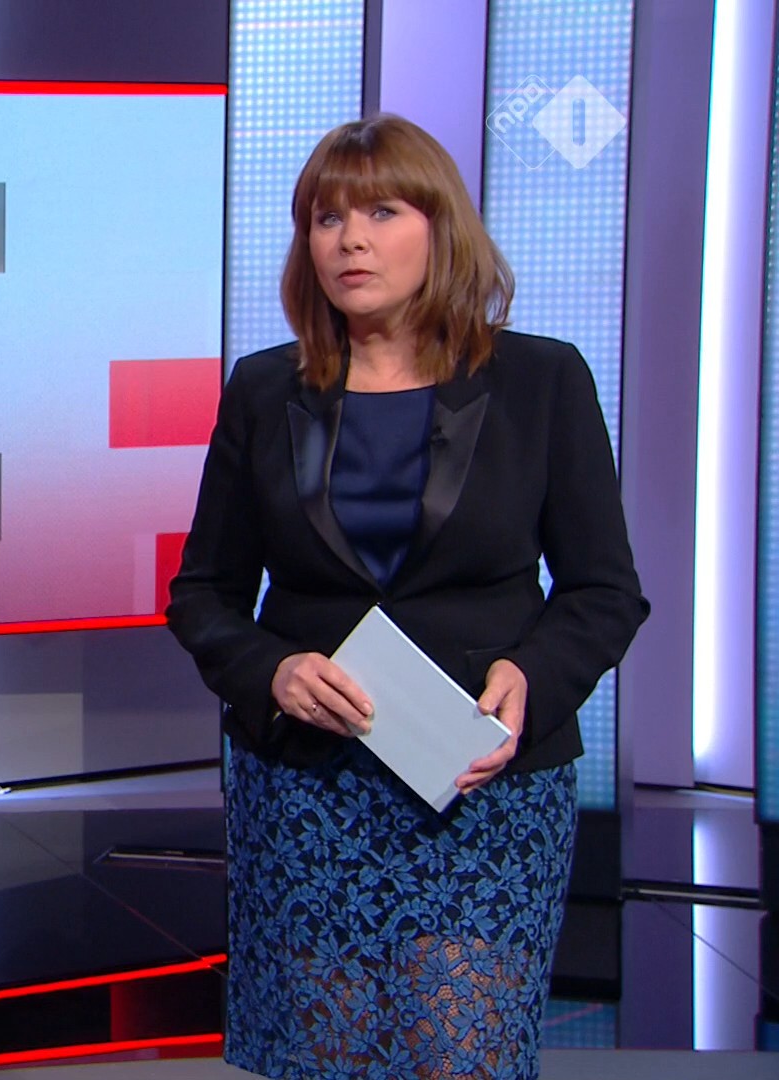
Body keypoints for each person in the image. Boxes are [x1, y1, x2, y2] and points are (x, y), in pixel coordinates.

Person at [164, 114, 649, 1079]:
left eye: (382, 212)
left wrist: (532, 676)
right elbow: (203, 593)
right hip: (308, 791)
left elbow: (604, 590)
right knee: (326, 1054)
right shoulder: (264, 389)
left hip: (480, 786)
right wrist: (273, 671)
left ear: (440, 228)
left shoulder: (542, 380)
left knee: (458, 1052)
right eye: (327, 218)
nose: (351, 240)